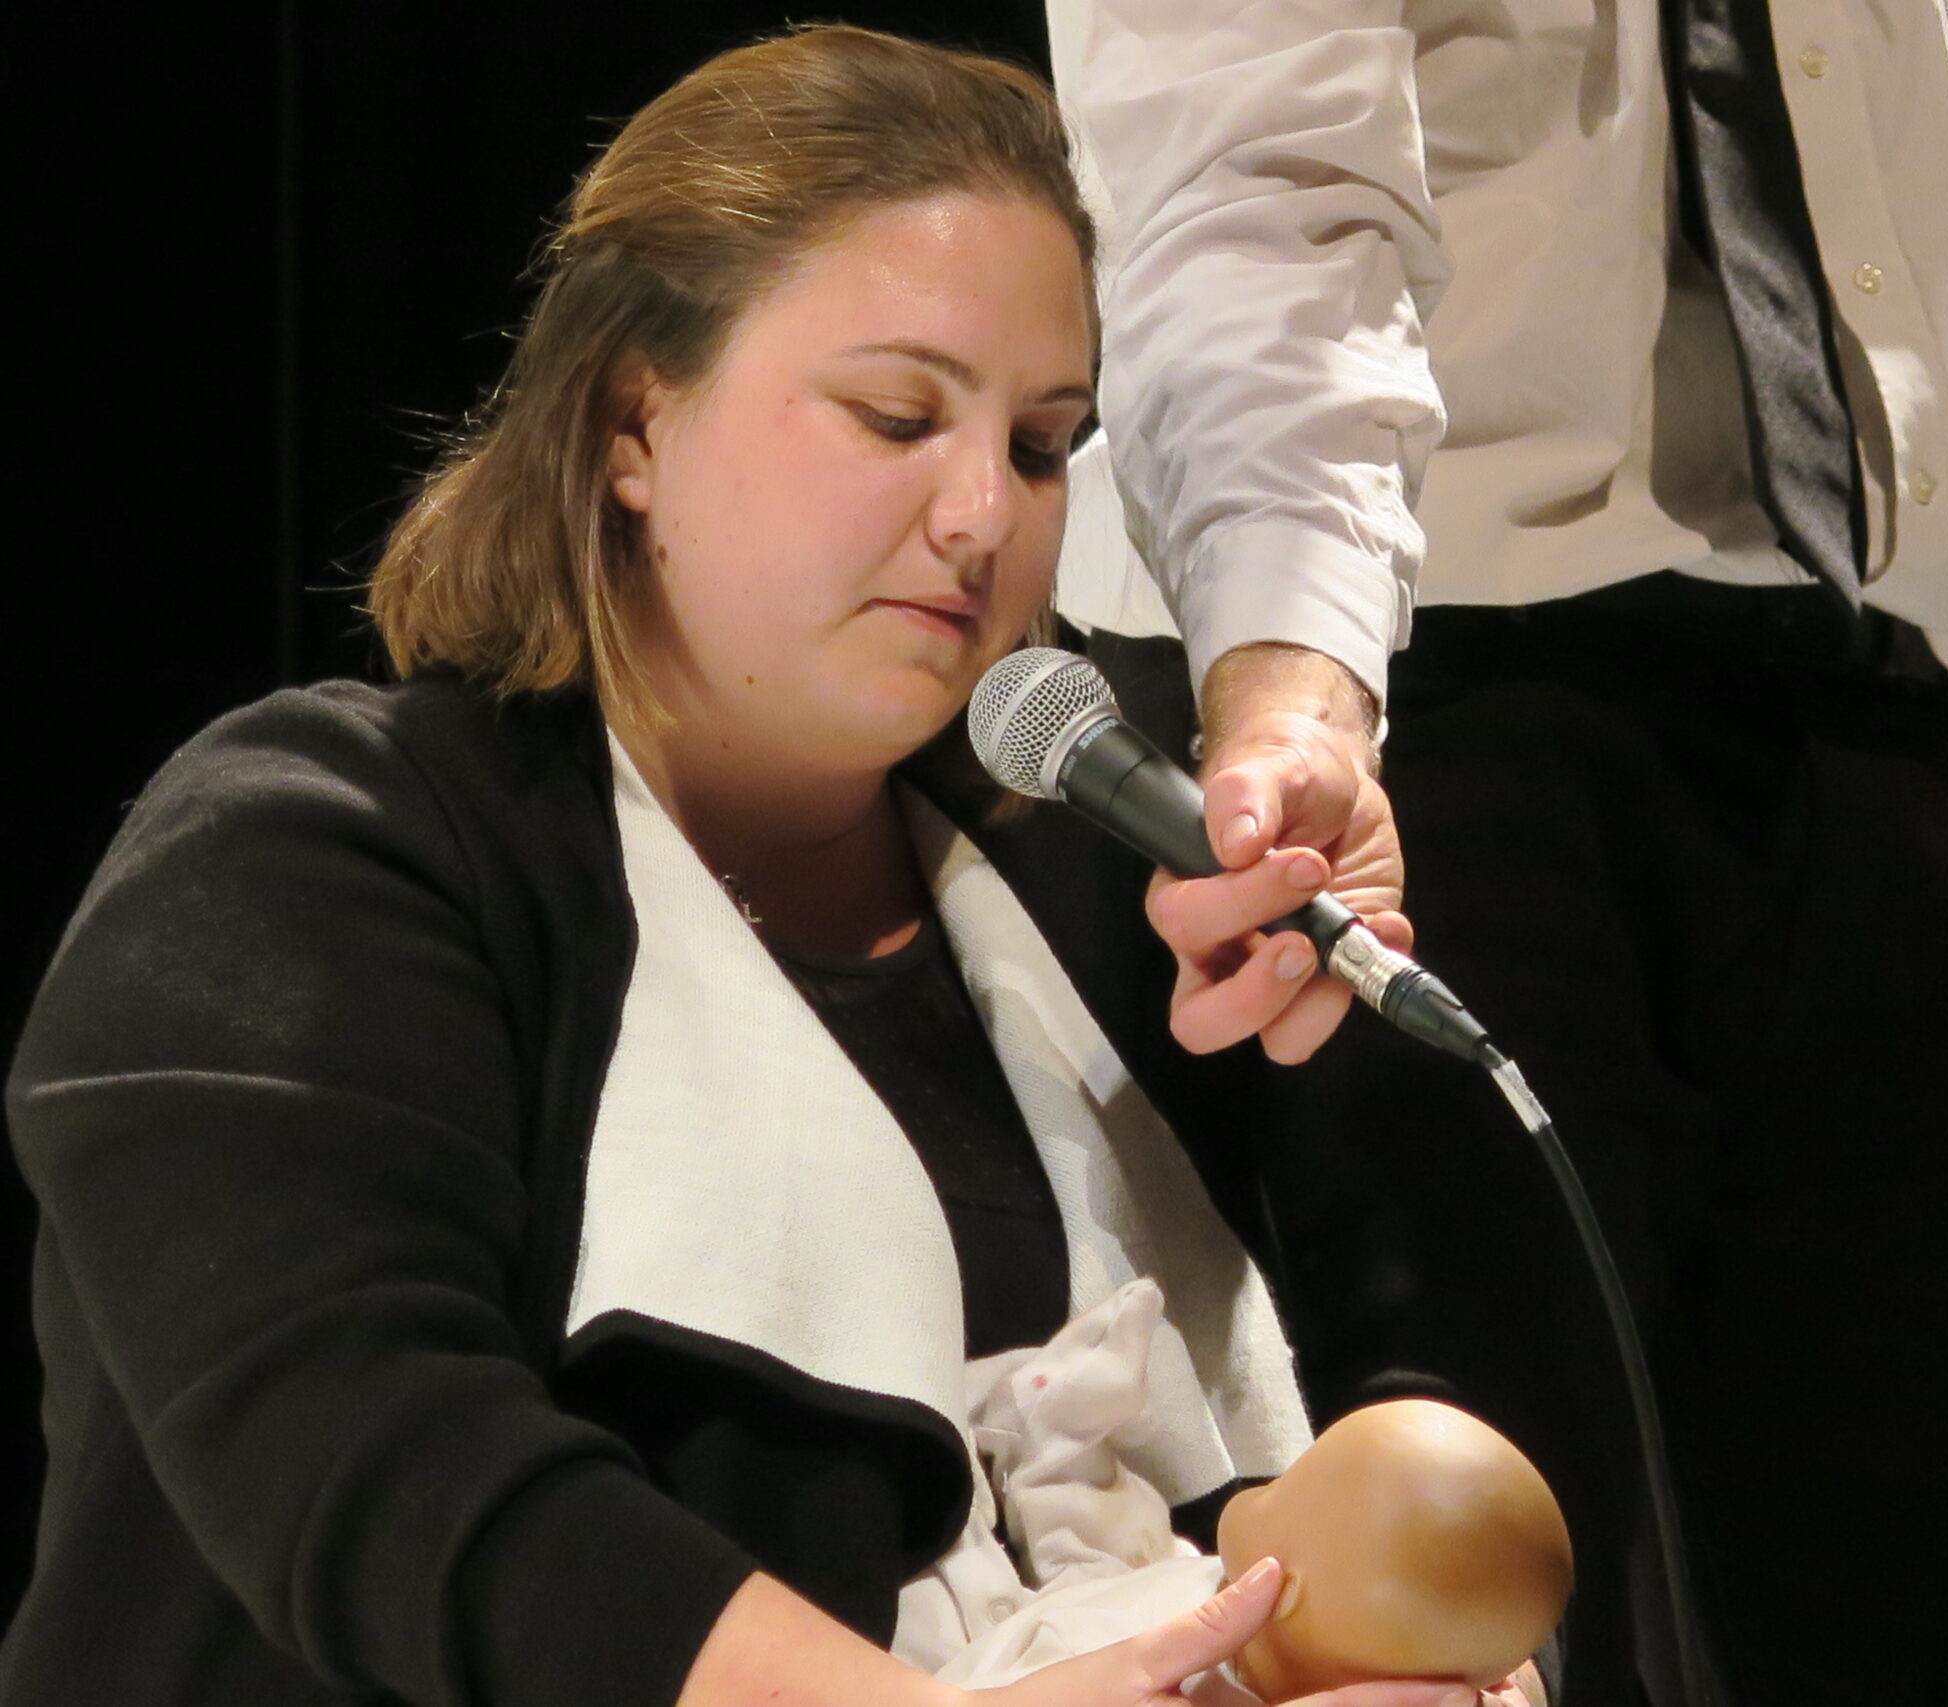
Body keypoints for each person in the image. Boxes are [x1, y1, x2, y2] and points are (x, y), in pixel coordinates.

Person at [0, 27, 1500, 1707]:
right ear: (635, 420)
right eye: (897, 414)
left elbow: (1366, 1435)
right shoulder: (312, 853)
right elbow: (397, 1470)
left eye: (1035, 445)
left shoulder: (1110, 886)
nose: (980, 517)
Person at [1044, 2, 1948, 1702]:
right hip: (1421, 709)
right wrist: (1297, 694)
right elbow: (1254, 185)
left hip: (1885, 717)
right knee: (1466, 1611)